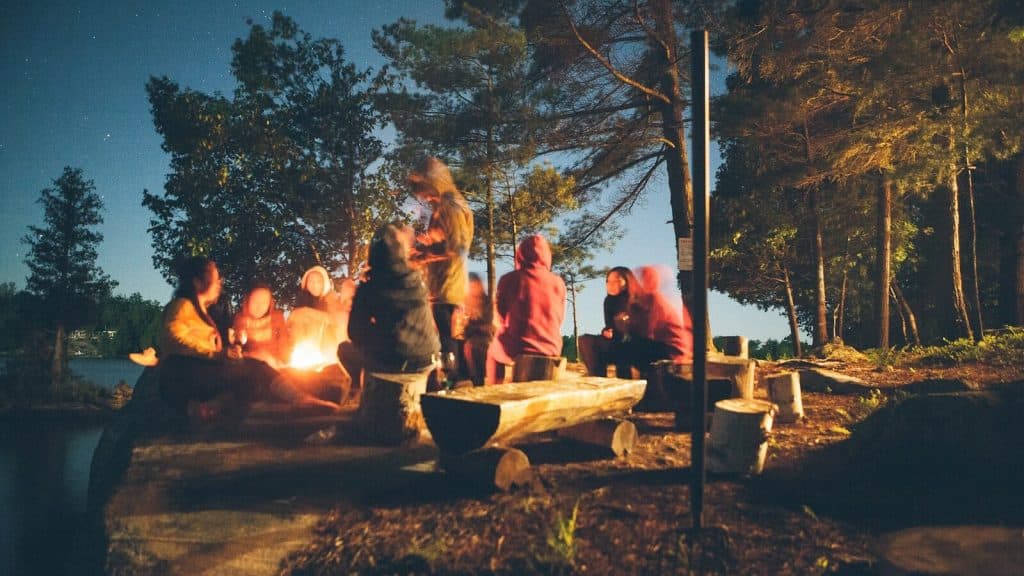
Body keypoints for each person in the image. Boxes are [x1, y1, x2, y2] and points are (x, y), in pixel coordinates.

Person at [158, 257, 337, 424]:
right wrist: (217, 354)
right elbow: (173, 338)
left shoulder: (200, 310)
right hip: (186, 373)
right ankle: (300, 399)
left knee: (252, 378)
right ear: (198, 282)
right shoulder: (182, 305)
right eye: (216, 278)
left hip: (197, 371)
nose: (220, 283)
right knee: (257, 368)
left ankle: (207, 407)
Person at [407, 156, 473, 376]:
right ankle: (451, 387)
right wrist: (428, 242)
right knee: (445, 341)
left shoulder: (450, 205)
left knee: (447, 343)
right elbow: (447, 240)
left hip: (447, 288)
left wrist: (424, 255)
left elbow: (458, 247)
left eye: (422, 188)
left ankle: (452, 392)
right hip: (441, 287)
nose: (421, 196)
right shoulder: (444, 206)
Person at [348, 223, 441, 374]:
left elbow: (355, 332)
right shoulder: (416, 279)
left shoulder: (370, 287)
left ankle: (364, 393)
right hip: (428, 357)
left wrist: (381, 334)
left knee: (345, 349)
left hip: (396, 362)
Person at [486, 235, 566, 384]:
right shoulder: (558, 282)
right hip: (551, 347)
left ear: (520, 255)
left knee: (492, 352)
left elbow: (501, 316)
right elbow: (560, 318)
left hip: (519, 346)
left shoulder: (509, 279)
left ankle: (493, 389)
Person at [578, 266, 639, 377]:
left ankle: (625, 381)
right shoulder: (609, 301)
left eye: (616, 281)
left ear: (627, 281)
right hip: (616, 341)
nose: (610, 284)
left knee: (623, 348)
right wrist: (607, 331)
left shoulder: (636, 299)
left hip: (634, 344)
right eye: (608, 281)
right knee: (585, 340)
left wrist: (627, 324)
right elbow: (609, 325)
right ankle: (598, 378)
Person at [289, 265, 347, 364]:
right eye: (311, 281)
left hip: (329, 342)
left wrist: (308, 312)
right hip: (306, 342)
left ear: (324, 282)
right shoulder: (303, 298)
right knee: (300, 319)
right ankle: (303, 356)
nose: (315, 285)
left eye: (319, 281)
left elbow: (335, 320)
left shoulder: (330, 296)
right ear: (306, 283)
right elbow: (292, 319)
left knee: (310, 319)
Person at [231, 282, 291, 368]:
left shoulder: (277, 317)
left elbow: (284, 343)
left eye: (264, 302)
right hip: (250, 367)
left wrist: (284, 362)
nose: (259, 306)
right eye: (255, 301)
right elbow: (237, 348)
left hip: (275, 367)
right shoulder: (240, 319)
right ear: (248, 300)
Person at [462, 272, 494, 386]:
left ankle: (479, 380)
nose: (473, 289)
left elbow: (488, 325)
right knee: (467, 346)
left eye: (475, 286)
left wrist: (477, 325)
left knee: (474, 347)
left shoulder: (487, 302)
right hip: (468, 336)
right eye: (471, 286)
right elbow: (463, 325)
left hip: (483, 338)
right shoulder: (464, 301)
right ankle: (474, 380)